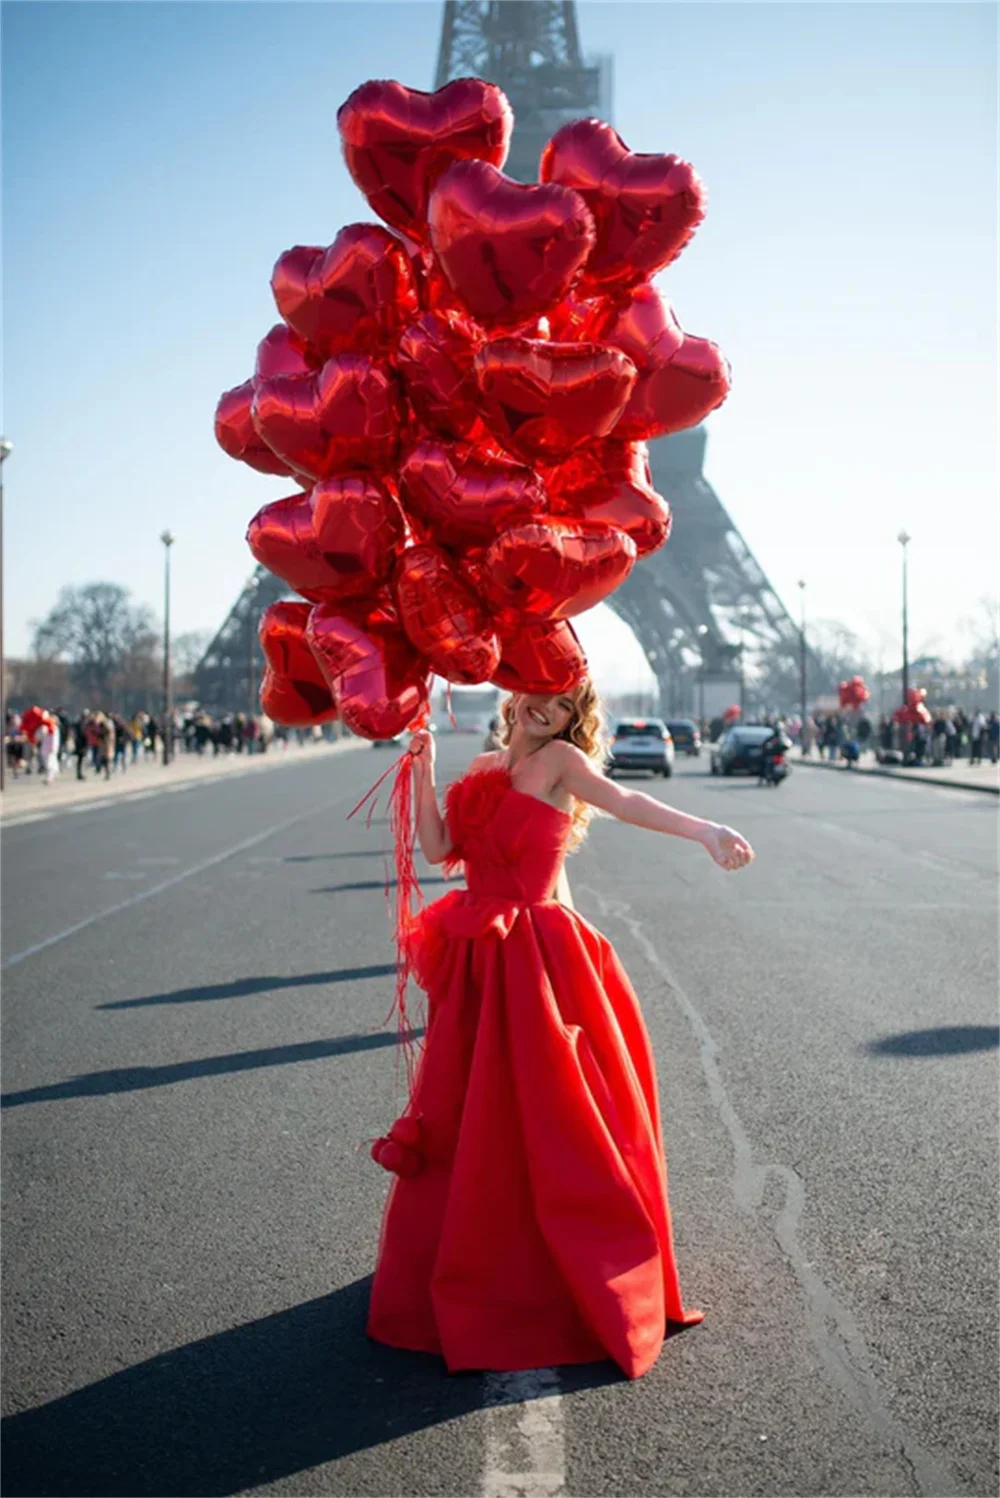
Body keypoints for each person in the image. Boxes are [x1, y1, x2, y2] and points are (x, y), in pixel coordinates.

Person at [367, 679, 755, 1381]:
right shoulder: (487, 768)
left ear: (577, 717)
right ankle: (491, 1252)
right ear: (513, 698)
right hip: (480, 956)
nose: (546, 708)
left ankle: (569, 1258)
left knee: (554, 1114)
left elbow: (628, 801)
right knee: (471, 1111)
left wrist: (705, 831)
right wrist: (421, 765)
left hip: (536, 957)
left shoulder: (563, 764)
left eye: (565, 703)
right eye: (537, 695)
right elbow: (437, 848)